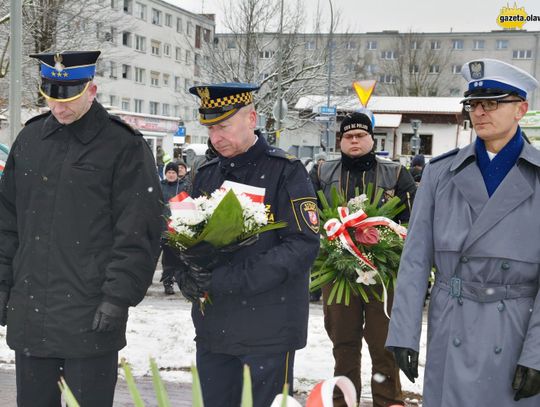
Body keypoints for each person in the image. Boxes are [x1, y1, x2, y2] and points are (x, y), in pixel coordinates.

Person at [0, 51, 163, 407]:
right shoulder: (30, 141)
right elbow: (7, 222)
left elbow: (139, 230)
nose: (60, 108)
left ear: (92, 89)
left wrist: (117, 297)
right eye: (52, 97)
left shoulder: (124, 145)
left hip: (90, 315)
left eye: (70, 98)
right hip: (31, 316)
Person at [386, 58, 540, 406]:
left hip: (516, 328)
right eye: (473, 104)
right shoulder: (442, 174)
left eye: (493, 103)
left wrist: (537, 355)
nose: (480, 112)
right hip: (451, 321)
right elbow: (415, 260)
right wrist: (404, 334)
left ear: (522, 109)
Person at [177, 82, 320, 407]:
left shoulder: (286, 171)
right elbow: (186, 233)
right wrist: (187, 275)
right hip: (215, 329)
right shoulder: (207, 173)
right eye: (210, 128)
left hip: (268, 330)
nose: (215, 137)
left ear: (252, 118)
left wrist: (230, 279)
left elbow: (302, 245)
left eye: (223, 126)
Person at [310, 111, 416, 407]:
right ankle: (343, 401)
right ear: (340, 141)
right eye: (348, 136)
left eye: (360, 135)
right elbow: (308, 218)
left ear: (372, 138)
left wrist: (386, 243)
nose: (354, 140)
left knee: (384, 347)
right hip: (337, 273)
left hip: (382, 275)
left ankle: (388, 401)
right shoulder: (321, 173)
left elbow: (413, 222)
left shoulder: (395, 174)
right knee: (343, 346)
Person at [160, 161, 192, 295]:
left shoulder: (184, 186)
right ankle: (167, 282)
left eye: (173, 172)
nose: (171, 175)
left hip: (178, 227)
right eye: (169, 172)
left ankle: (182, 282)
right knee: (167, 258)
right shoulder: (160, 186)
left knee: (179, 257)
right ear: (165, 173)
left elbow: (190, 203)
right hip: (162, 227)